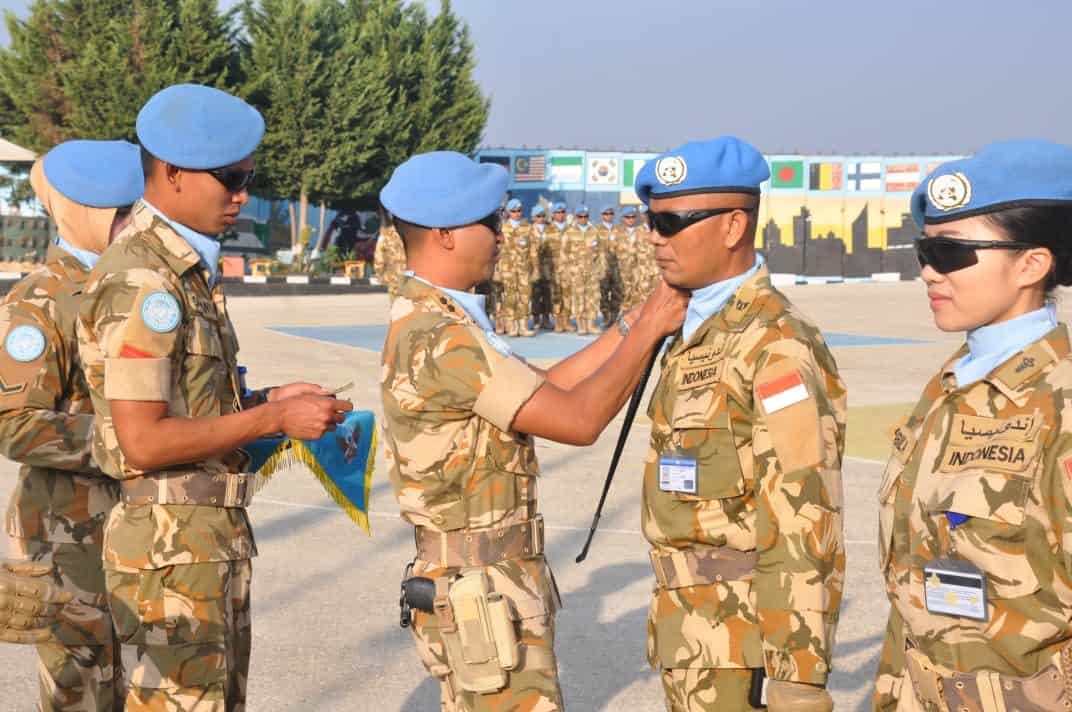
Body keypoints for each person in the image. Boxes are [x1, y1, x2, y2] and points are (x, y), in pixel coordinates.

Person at [379, 150, 687, 712]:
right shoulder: (442, 337)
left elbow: (542, 387)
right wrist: (649, 330)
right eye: (490, 224)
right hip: (480, 586)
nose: (501, 237)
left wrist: (626, 328)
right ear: (446, 235)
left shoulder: (441, 320)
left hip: (482, 577)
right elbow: (577, 419)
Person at [76, 83, 351, 710]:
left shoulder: (180, 270)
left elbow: (193, 405)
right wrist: (273, 416)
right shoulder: (144, 277)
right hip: (170, 553)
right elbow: (143, 439)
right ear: (171, 172)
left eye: (248, 177)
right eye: (229, 178)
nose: (243, 195)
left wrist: (270, 398)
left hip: (201, 544)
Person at [633, 136, 846, 712]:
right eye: (650, 220)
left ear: (732, 227)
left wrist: (797, 675)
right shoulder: (697, 329)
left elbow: (804, 513)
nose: (655, 236)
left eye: (673, 221)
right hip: (695, 633)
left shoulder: (776, 343)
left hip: (747, 640)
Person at [873, 139, 1072, 712]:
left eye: (953, 254)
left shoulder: (1059, 404)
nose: (930, 272)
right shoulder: (950, 386)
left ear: (1032, 263)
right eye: (924, 252)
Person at [0, 139, 142, 710]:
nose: (138, 224)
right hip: (71, 542)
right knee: (82, 695)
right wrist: (129, 439)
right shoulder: (41, 301)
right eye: (127, 213)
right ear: (92, 214)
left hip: (145, 528)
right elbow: (14, 423)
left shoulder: (141, 286)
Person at [563, 205, 604, 335]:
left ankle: (590, 325)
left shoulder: (594, 231)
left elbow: (601, 251)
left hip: (592, 271)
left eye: (585, 216)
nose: (583, 219)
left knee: (593, 298)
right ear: (576, 218)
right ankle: (581, 325)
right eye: (580, 216)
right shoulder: (569, 232)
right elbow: (563, 253)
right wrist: (567, 271)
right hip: (577, 272)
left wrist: (602, 268)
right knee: (579, 298)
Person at [499, 198, 535, 337]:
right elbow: (497, 249)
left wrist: (535, 268)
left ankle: (523, 326)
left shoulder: (527, 227)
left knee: (525, 297)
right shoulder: (502, 227)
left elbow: (532, 249)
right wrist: (497, 269)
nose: (516, 213)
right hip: (508, 269)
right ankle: (511, 325)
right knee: (510, 297)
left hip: (524, 268)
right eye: (513, 211)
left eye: (518, 210)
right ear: (508, 212)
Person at [544, 202, 572, 332]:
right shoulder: (547, 230)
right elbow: (542, 251)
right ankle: (557, 322)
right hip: (553, 268)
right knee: (556, 296)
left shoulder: (571, 229)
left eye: (562, 212)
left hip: (568, 269)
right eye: (557, 212)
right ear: (553, 214)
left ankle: (566, 321)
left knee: (567, 295)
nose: (560, 215)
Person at [598, 206, 625, 328]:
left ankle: (614, 317)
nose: (608, 216)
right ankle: (605, 317)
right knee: (603, 292)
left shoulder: (619, 230)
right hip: (603, 266)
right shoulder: (596, 230)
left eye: (610, 214)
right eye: (605, 213)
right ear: (602, 215)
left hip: (616, 267)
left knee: (616, 292)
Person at [373, 210, 406, 300]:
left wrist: (379, 273)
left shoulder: (385, 234)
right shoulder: (409, 232)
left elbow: (379, 256)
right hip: (410, 275)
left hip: (393, 276)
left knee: (397, 305)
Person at [529, 205, 552, 330]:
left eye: (543, 216)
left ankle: (546, 318)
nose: (541, 218)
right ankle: (536, 319)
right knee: (535, 294)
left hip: (548, 268)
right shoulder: (529, 230)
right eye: (538, 216)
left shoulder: (550, 229)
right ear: (533, 217)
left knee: (547, 294)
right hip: (534, 267)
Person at [617, 206, 643, 311]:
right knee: (624, 295)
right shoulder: (617, 232)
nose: (630, 219)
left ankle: (634, 319)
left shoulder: (641, 232)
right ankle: (624, 317)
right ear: (623, 218)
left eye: (633, 217)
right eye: (627, 217)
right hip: (622, 270)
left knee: (637, 294)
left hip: (637, 270)